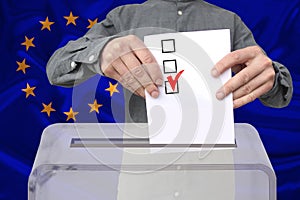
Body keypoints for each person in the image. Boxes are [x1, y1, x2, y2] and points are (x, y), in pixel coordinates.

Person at [46, 0, 293, 123]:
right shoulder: (124, 17)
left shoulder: (231, 21)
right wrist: (100, 52)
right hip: (140, 167)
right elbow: (56, 68)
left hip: (214, 169)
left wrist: (270, 76)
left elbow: (278, 94)